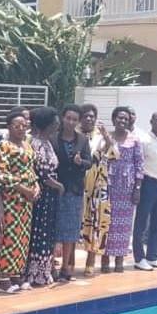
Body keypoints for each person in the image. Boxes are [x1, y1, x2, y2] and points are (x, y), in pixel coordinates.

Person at [0, 109, 38, 293]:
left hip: (27, 200)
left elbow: (31, 169)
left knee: (23, 237)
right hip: (11, 198)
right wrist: (24, 189)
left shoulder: (27, 144)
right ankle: (4, 278)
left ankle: (16, 275)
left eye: (23, 125)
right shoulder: (4, 145)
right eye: (16, 125)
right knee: (10, 236)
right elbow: (1, 174)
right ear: (9, 127)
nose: (21, 128)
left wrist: (36, 186)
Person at [23, 106, 63, 287]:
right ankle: (34, 273)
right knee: (39, 233)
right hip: (42, 196)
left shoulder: (48, 143)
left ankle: (44, 271)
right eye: (55, 122)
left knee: (48, 233)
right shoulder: (36, 143)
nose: (57, 125)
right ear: (46, 124)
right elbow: (42, 173)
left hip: (50, 197)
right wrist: (59, 186)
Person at [52, 104, 91, 281]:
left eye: (74, 119)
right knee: (53, 229)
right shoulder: (53, 138)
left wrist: (80, 162)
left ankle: (66, 267)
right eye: (68, 118)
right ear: (63, 118)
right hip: (55, 189)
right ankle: (50, 266)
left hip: (74, 191)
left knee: (70, 231)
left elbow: (89, 163)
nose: (71, 122)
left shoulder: (82, 140)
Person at [104, 107, 143, 273]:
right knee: (107, 223)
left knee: (124, 226)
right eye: (119, 118)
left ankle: (119, 260)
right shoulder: (107, 137)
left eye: (125, 119)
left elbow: (139, 165)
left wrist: (137, 189)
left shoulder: (135, 140)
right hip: (109, 185)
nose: (122, 121)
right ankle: (105, 259)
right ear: (113, 120)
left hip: (127, 187)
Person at [133, 111, 157, 270]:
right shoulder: (144, 140)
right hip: (148, 183)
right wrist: (138, 187)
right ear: (151, 121)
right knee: (141, 223)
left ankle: (153, 256)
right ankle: (139, 258)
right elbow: (138, 164)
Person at [80, 104, 112, 275]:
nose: (89, 119)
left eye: (92, 116)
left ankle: (90, 260)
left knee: (95, 223)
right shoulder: (74, 135)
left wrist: (106, 137)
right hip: (78, 184)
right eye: (85, 116)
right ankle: (68, 262)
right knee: (76, 224)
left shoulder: (101, 137)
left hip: (97, 186)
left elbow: (114, 154)